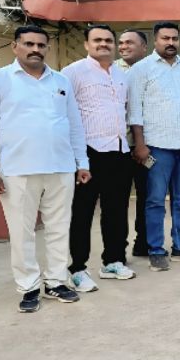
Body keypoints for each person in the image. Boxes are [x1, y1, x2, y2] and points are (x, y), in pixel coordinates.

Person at [0, 25, 90, 313]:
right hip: (17, 169)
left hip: (61, 167)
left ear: (47, 48)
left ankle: (56, 281)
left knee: (59, 228)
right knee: (21, 232)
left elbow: (74, 125)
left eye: (41, 45)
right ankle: (28, 286)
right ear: (15, 47)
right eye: (28, 44)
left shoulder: (60, 81)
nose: (35, 49)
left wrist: (82, 162)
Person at [127, 21, 180, 271]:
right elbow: (134, 110)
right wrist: (140, 144)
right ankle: (156, 249)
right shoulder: (141, 69)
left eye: (174, 38)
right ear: (155, 40)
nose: (170, 43)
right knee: (155, 200)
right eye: (165, 38)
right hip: (157, 146)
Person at [62, 24, 136, 293]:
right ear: (86, 44)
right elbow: (63, 114)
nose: (103, 44)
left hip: (119, 150)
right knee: (81, 214)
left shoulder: (121, 75)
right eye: (97, 40)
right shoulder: (72, 73)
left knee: (116, 211)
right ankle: (77, 269)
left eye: (108, 40)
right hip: (87, 153)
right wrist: (75, 157)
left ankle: (113, 261)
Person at [116, 29, 149, 256]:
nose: (123, 46)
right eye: (121, 43)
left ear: (144, 47)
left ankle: (144, 243)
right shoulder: (111, 71)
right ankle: (118, 250)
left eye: (130, 43)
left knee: (148, 197)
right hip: (118, 147)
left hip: (149, 146)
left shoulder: (152, 70)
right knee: (118, 200)